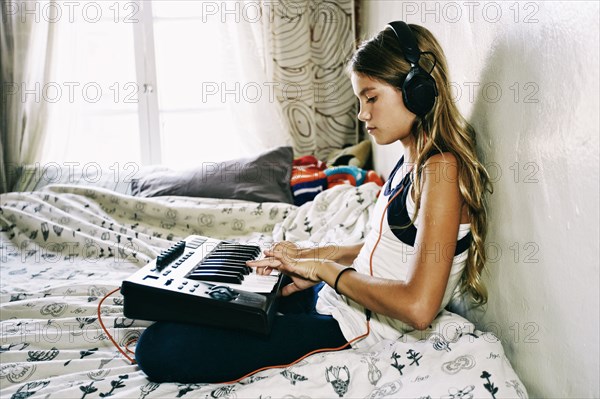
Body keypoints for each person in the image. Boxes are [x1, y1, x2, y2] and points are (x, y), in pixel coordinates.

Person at [134, 21, 492, 384]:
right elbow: (387, 250)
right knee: (206, 302)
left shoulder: (443, 170)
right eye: (359, 101)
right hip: (341, 300)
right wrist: (310, 257)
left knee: (159, 346)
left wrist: (325, 270)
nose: (362, 114)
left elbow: (419, 307)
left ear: (418, 91)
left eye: (371, 97)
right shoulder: (411, 160)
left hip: (352, 329)